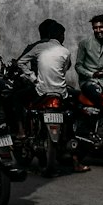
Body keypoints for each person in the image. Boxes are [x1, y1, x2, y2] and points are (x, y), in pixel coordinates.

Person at [27, 18, 89, 175]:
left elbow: (22, 63)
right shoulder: (61, 50)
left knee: (26, 107)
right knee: (76, 114)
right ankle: (76, 160)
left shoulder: (35, 48)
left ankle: (24, 133)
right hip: (59, 92)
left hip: (40, 91)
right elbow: (66, 67)